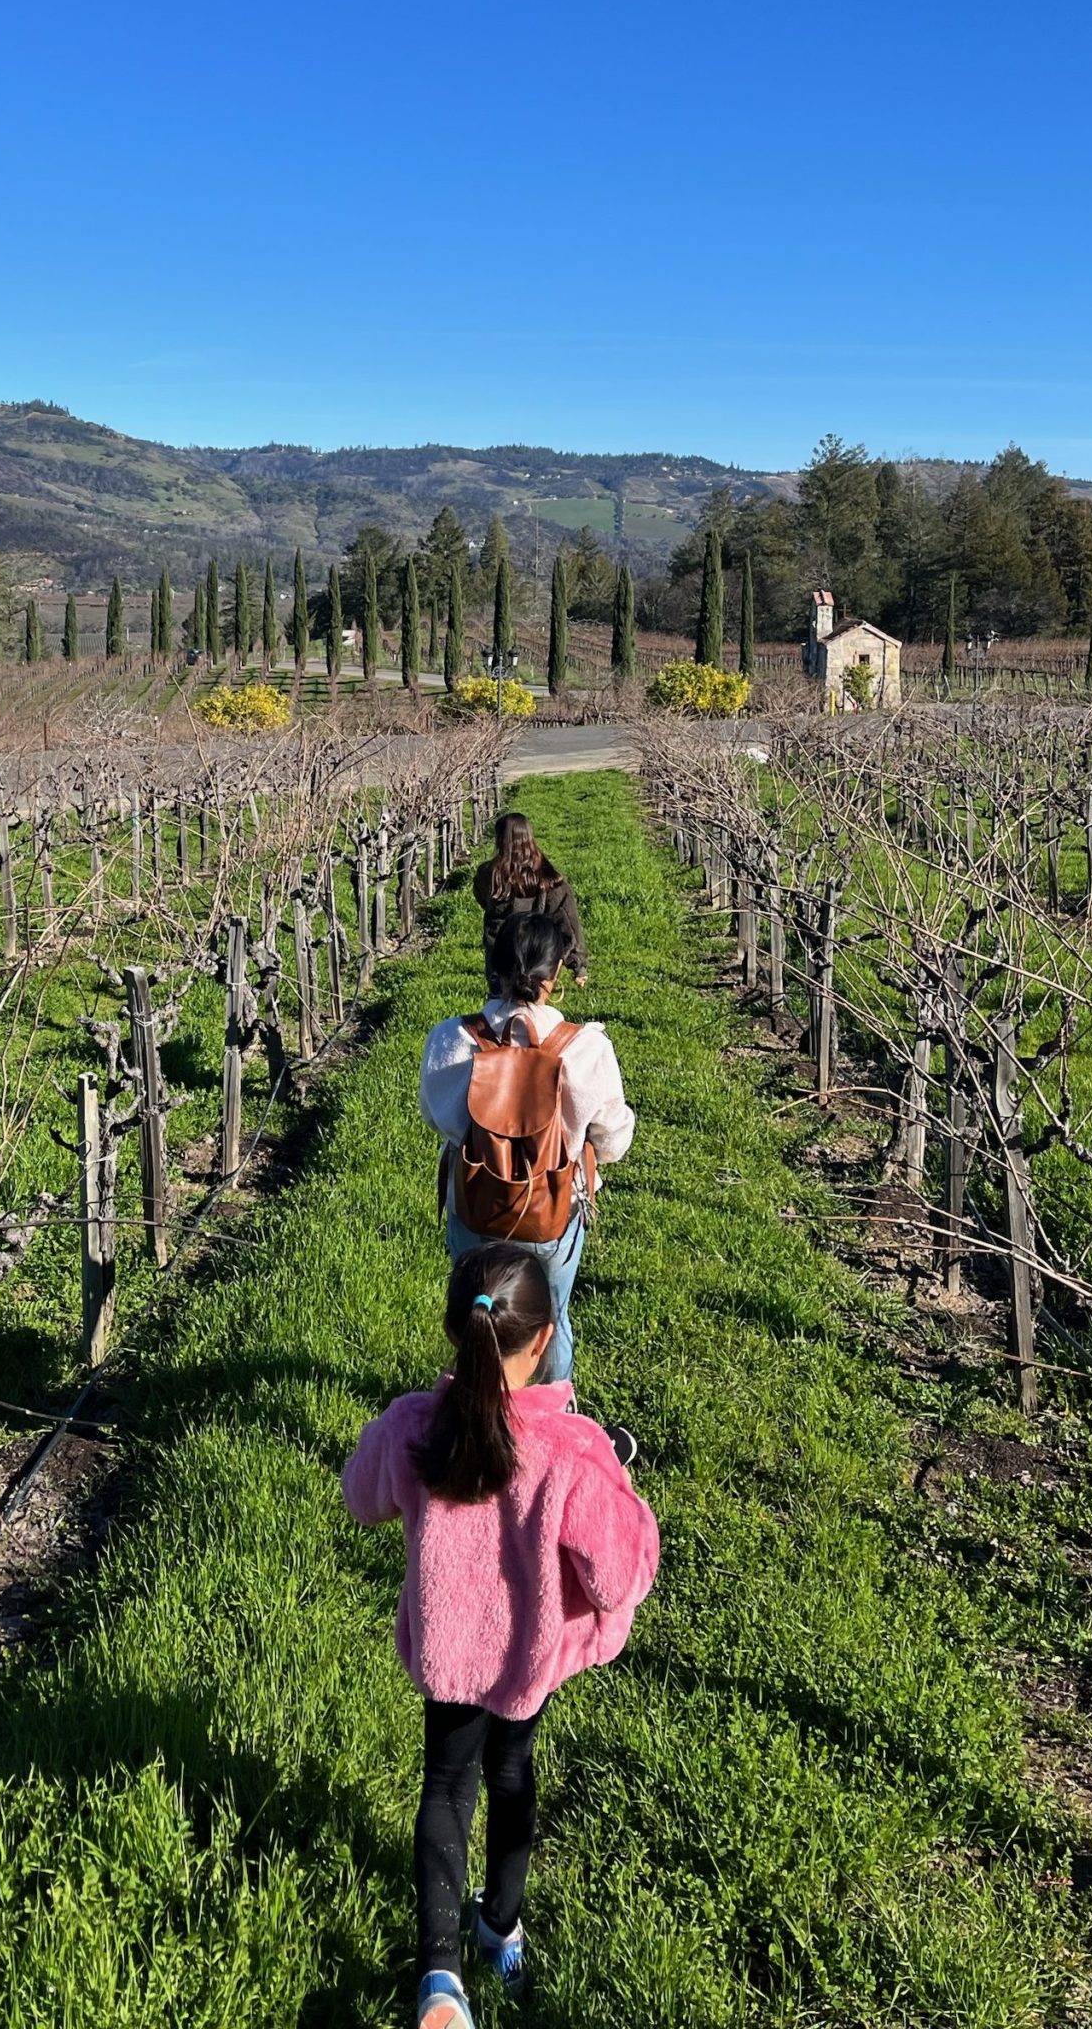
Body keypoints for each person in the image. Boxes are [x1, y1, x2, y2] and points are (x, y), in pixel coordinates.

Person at [342, 1243, 660, 2029]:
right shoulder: (573, 1450)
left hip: (448, 1654)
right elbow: (621, 1572)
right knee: (512, 1772)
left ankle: (440, 1978)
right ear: (546, 1340)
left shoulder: (415, 1426)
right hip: (526, 1659)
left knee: (445, 1787)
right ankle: (500, 1928)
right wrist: (621, 1476)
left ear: (456, 1331)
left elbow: (360, 1497)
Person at [418, 910, 634, 1387]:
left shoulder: (451, 1039)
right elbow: (614, 1139)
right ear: (554, 975)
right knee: (550, 1315)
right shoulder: (585, 1048)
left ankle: (474, 1399)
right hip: (553, 1211)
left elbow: (437, 1117)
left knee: (483, 1309)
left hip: (474, 1204)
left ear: (493, 966)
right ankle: (553, 1410)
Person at [474, 811, 588, 991]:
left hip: (500, 958)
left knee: (499, 1009)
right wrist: (578, 965)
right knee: (535, 1006)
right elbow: (567, 921)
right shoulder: (550, 879)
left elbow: (482, 900)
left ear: (500, 840)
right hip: (539, 955)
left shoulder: (487, 874)